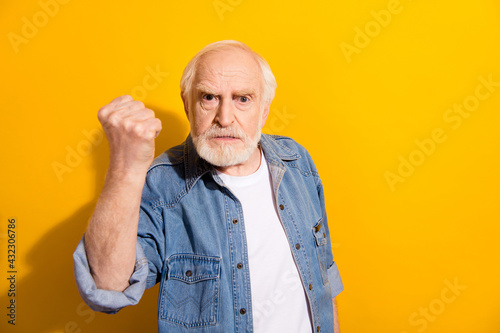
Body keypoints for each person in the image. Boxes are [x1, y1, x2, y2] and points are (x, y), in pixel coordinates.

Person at [73, 40, 344, 333]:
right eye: (209, 97)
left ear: (264, 110)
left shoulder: (297, 162)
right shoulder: (161, 183)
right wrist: (125, 169)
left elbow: (325, 277)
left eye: (243, 99)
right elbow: (108, 288)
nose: (225, 118)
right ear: (188, 105)